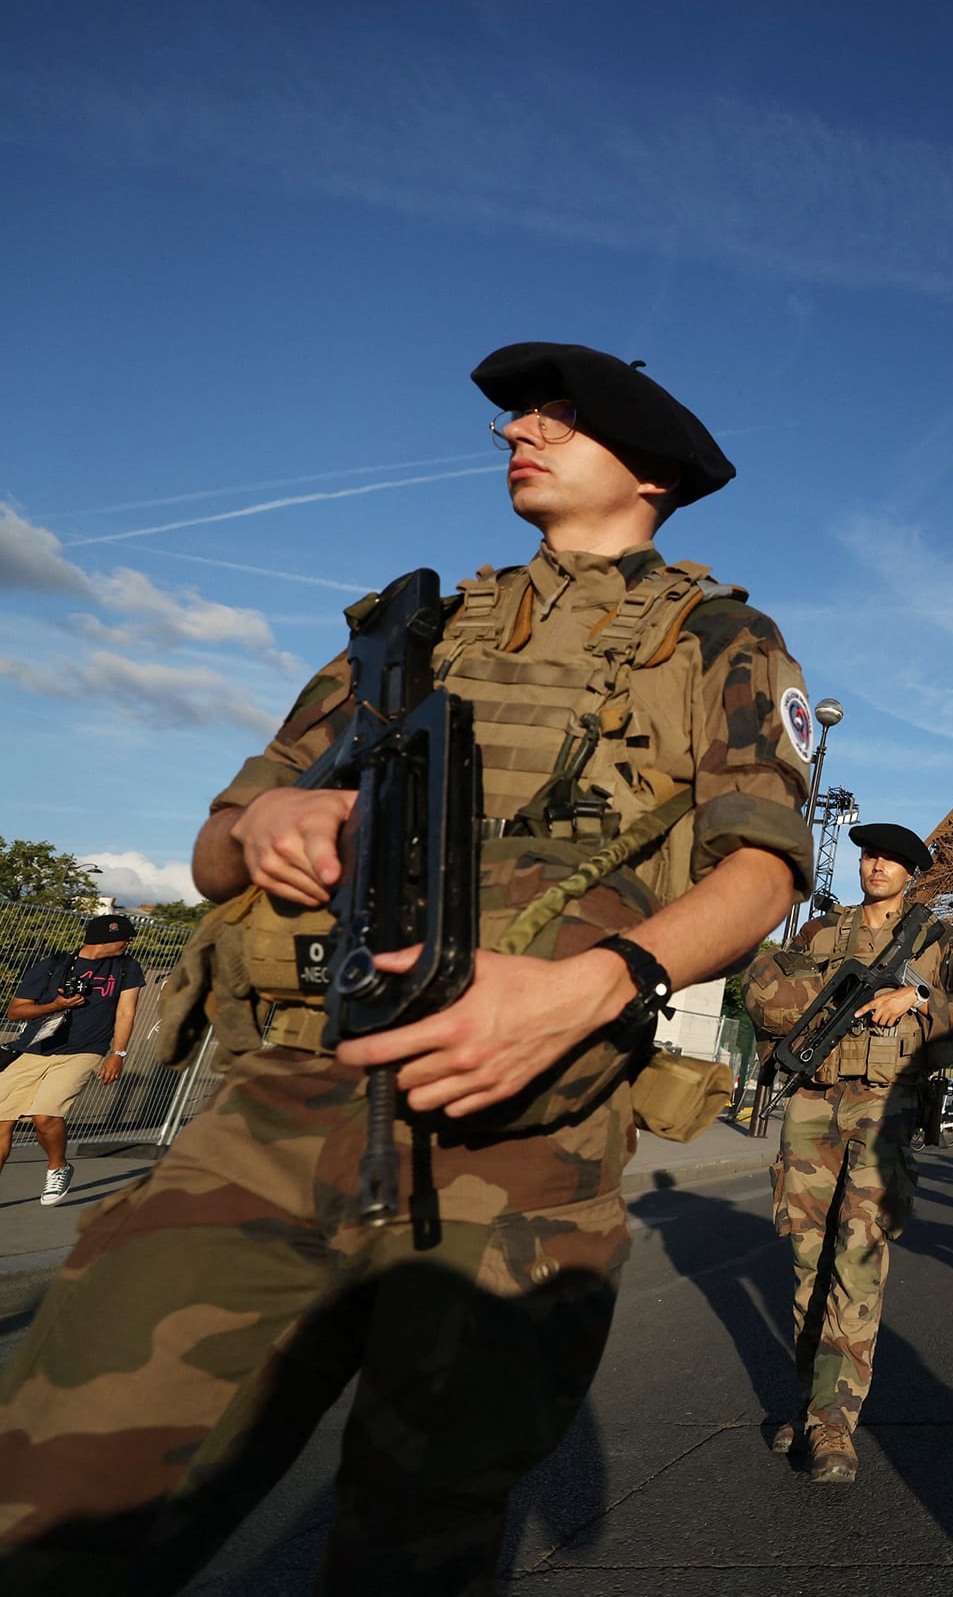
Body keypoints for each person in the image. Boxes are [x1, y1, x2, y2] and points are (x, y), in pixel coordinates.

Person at [0, 342, 811, 1592]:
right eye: (513, 416)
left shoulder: (722, 640)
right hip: (280, 1097)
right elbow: (217, 849)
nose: (514, 433)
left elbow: (761, 870)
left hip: (523, 1127)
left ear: (650, 471)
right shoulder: (407, 630)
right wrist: (263, 826)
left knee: (419, 1535)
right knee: (54, 1498)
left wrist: (592, 987)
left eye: (557, 415)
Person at [739, 823, 953, 1484]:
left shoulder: (935, 940)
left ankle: (833, 1426)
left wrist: (920, 996)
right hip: (813, 1105)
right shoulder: (820, 933)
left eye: (891, 859)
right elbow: (761, 997)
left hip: (885, 1109)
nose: (876, 865)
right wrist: (812, 1005)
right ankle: (818, 1406)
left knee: (858, 1260)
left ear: (914, 872)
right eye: (869, 854)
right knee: (808, 1263)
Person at [1, 914, 146, 1204]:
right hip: (32, 1050)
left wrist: (117, 1054)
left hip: (83, 1051)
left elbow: (125, 1013)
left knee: (46, 1115)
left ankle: (58, 1166)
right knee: (2, 1122)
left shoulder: (127, 967)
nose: (129, 943)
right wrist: (55, 1005)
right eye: (125, 938)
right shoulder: (53, 965)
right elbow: (15, 1011)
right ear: (105, 939)